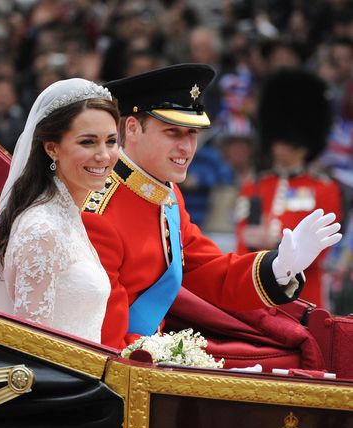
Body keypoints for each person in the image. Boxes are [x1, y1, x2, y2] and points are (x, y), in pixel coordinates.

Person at [81, 63, 342, 350]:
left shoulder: (168, 195)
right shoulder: (99, 209)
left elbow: (209, 270)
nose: (187, 147)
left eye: (192, 134)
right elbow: (105, 340)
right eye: (173, 132)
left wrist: (278, 266)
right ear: (132, 128)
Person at [0, 78, 120, 343]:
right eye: (87, 142)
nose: (104, 155)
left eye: (111, 141)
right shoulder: (42, 228)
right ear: (52, 148)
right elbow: (33, 349)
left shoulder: (65, 214)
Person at [235, 68, 343, 308]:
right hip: (258, 288)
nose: (280, 147)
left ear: (304, 145)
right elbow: (242, 240)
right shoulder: (255, 185)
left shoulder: (323, 188)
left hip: (305, 294)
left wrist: (277, 240)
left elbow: (323, 249)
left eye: (288, 141)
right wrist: (251, 240)